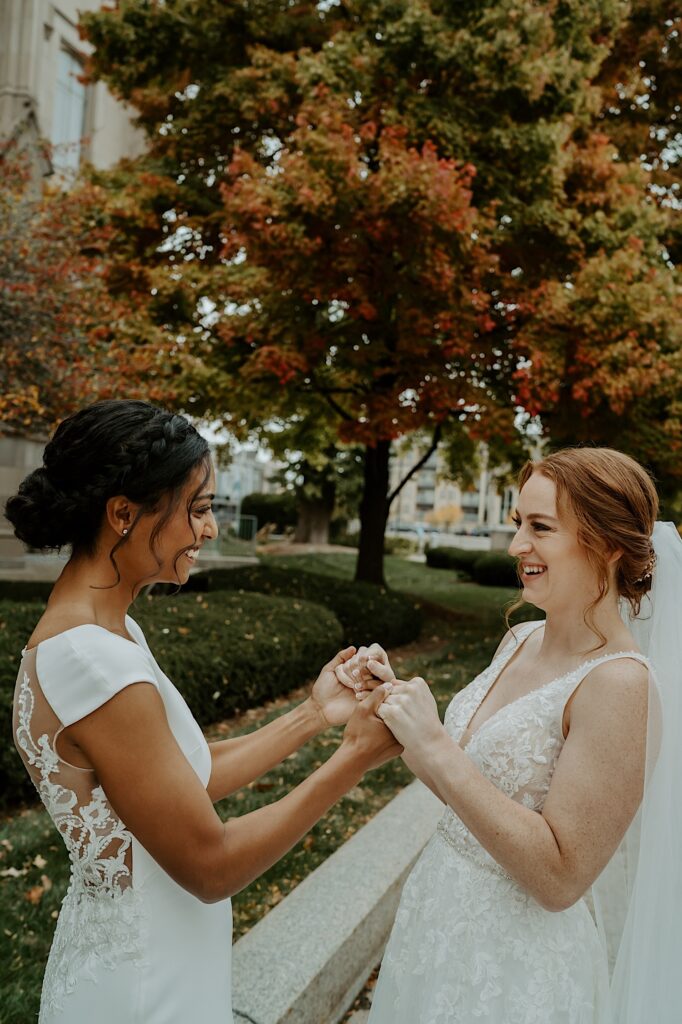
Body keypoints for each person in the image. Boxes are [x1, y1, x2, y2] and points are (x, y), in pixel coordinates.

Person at [6, 399, 399, 1024]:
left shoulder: (109, 633)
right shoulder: (91, 659)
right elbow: (211, 864)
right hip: (146, 986)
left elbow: (184, 777)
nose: (209, 529)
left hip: (161, 955)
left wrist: (313, 715)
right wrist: (354, 759)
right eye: (197, 508)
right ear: (123, 514)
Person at [338, 447, 682, 1023]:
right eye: (517, 523)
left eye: (540, 527)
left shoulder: (621, 685)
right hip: (437, 922)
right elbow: (466, 790)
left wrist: (437, 748)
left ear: (608, 544)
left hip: (515, 970)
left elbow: (562, 877)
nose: (517, 545)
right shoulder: (520, 638)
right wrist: (399, 707)